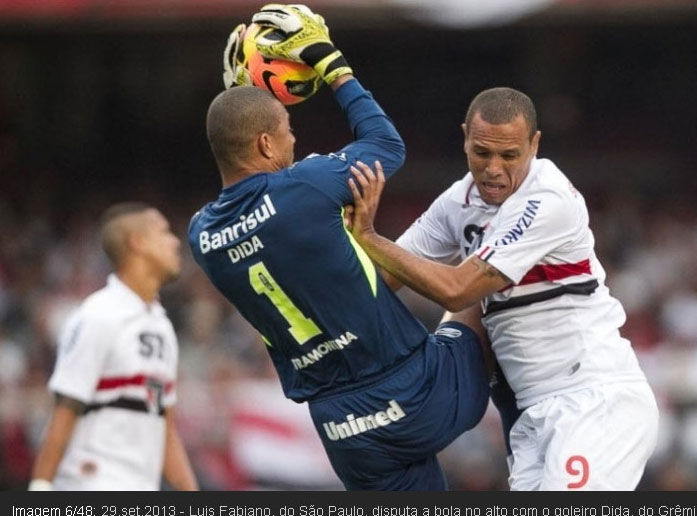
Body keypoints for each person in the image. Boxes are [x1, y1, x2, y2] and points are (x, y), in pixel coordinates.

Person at [189, 5, 490, 490]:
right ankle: (546, 441)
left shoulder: (201, 235)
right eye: (287, 131)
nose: (295, 139)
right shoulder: (305, 188)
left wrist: (240, 97)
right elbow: (386, 145)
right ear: (266, 145)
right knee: (479, 285)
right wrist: (331, 63)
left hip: (343, 429)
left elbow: (241, 169)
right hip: (417, 392)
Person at [346, 87, 660, 490]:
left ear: (534, 144)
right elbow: (382, 278)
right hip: (533, 413)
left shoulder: (547, 198)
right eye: (482, 152)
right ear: (465, 138)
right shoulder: (458, 201)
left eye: (509, 155)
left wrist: (370, 237)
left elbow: (457, 290)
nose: (493, 168)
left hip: (593, 401)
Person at [29, 203, 198, 491]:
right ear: (138, 242)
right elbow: (65, 408)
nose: (174, 241)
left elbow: (165, 428)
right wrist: (40, 487)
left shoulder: (161, 326)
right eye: (164, 232)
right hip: (91, 481)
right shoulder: (98, 316)